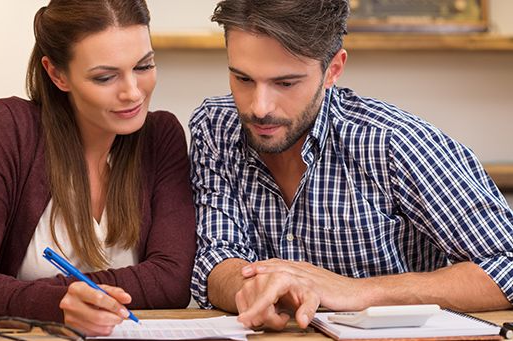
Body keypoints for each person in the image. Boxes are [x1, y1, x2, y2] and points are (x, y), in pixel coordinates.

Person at [188, 0, 513, 331]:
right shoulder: (215, 128)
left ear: (333, 69)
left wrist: (359, 291)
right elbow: (216, 258)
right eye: (243, 79)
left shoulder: (392, 142)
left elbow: (508, 263)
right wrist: (251, 289)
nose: (259, 108)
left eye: (286, 83)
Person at [0, 0, 196, 336]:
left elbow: (171, 281)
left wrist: (9, 292)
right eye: (105, 77)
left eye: (144, 66)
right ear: (57, 74)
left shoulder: (161, 137)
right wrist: (57, 303)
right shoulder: (8, 129)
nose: (133, 92)